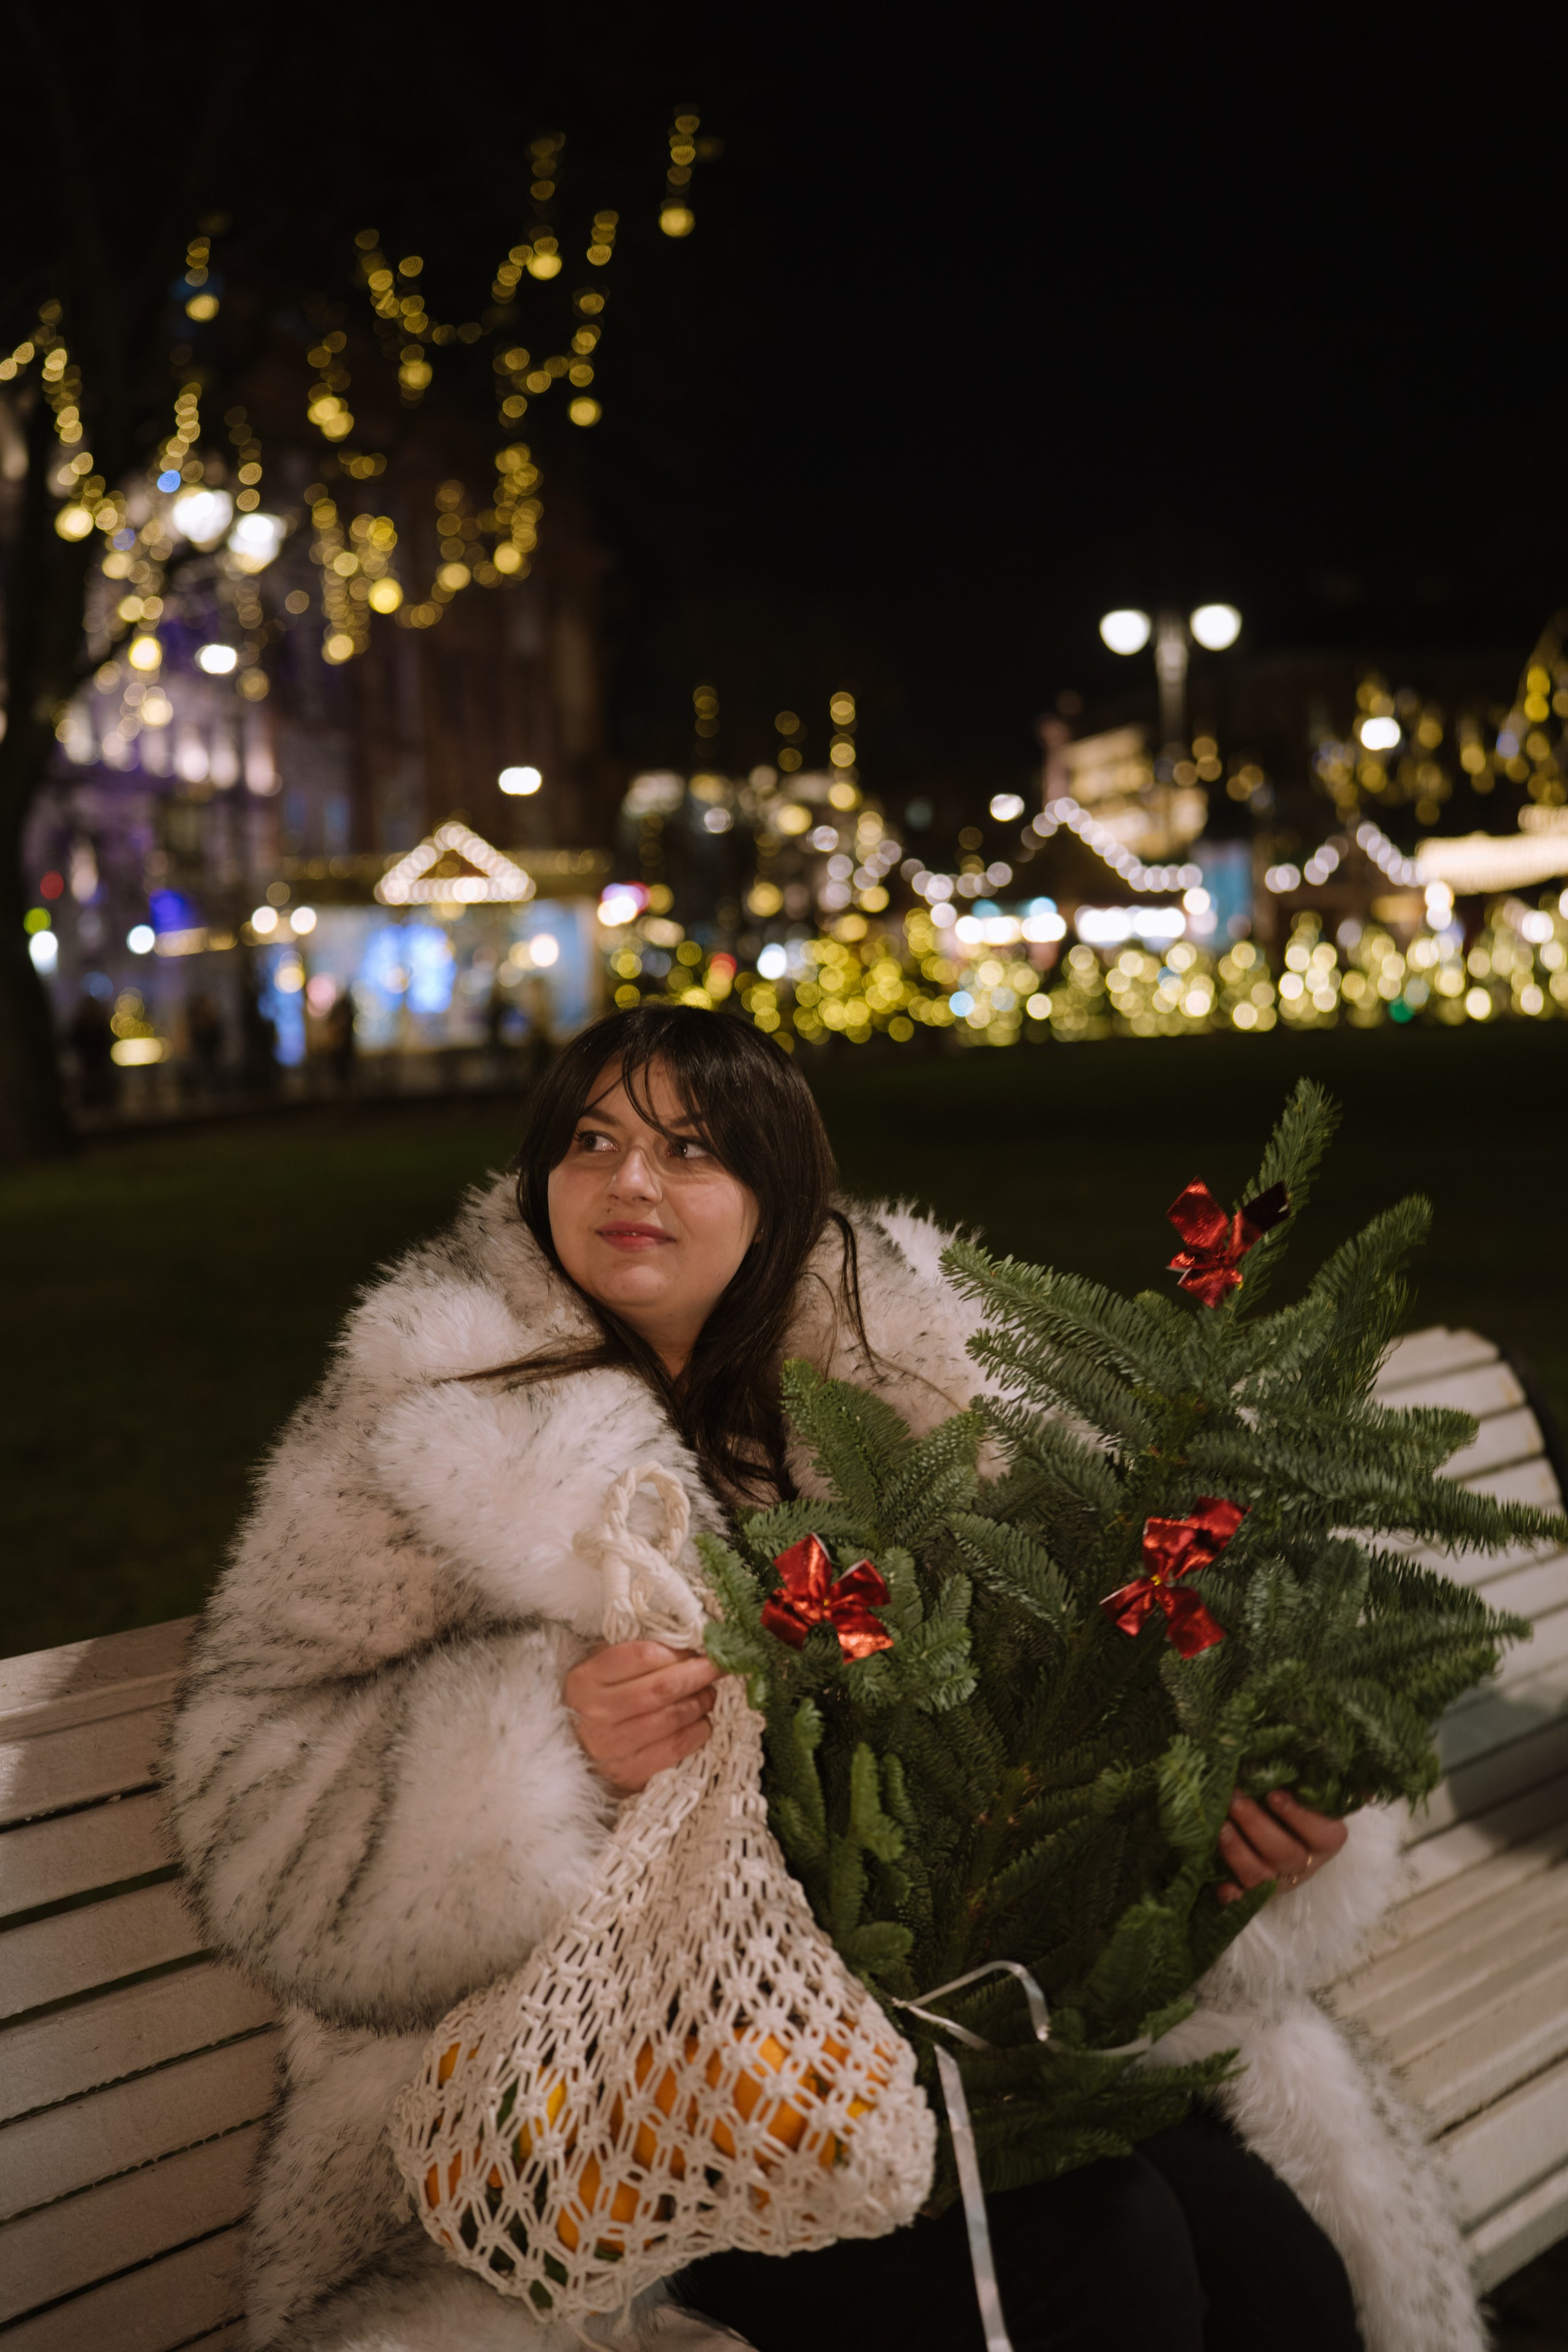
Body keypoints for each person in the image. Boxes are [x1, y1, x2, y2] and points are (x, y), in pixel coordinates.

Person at [167, 1006, 1482, 2352]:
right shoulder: (428, 1422)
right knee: (1100, 2257)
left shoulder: (922, 1389)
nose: (630, 1181)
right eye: (593, 1142)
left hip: (949, 2026)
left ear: (776, 1194)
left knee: (1278, 2272)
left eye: (689, 1149)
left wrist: (1229, 1829)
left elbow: (1083, 1684)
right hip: (608, 2106)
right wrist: (541, 1753)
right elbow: (244, 1791)